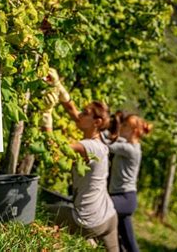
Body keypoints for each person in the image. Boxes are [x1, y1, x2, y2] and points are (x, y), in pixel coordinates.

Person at [44, 68, 119, 252]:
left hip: (87, 220)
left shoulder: (88, 146)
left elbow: (56, 147)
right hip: (109, 216)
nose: (80, 115)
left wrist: (47, 116)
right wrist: (58, 86)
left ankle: (87, 241)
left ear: (97, 122)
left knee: (39, 211)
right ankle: (89, 242)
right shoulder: (100, 141)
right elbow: (72, 110)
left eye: (85, 113)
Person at [108, 112, 152, 252]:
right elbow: (114, 139)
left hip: (125, 198)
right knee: (129, 244)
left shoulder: (131, 150)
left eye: (125, 125)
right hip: (124, 198)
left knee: (99, 205)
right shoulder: (126, 144)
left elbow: (107, 144)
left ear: (133, 130)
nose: (122, 127)